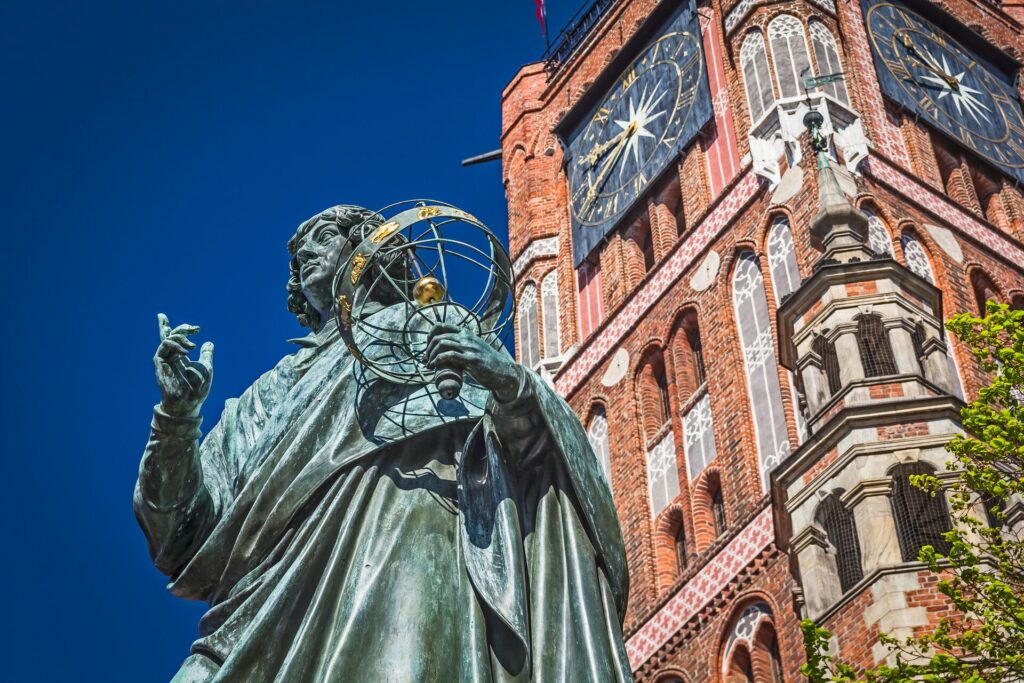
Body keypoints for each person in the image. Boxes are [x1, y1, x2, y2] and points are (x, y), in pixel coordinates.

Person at [135, 204, 631, 682]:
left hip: (400, 551)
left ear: (367, 251)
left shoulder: (431, 326)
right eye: (297, 253)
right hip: (255, 610)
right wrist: (177, 419)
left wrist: (511, 386)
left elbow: (531, 459)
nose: (306, 254)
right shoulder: (260, 399)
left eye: (323, 238)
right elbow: (180, 536)